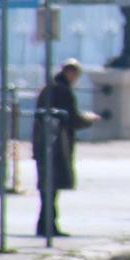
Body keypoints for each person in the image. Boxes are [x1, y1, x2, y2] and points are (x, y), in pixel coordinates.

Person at [32, 59, 99, 237]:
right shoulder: (63, 91)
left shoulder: (49, 88)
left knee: (47, 188)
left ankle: (44, 224)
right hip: (57, 145)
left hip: (43, 144)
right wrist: (88, 119)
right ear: (71, 73)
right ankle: (48, 226)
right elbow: (71, 119)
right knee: (52, 187)